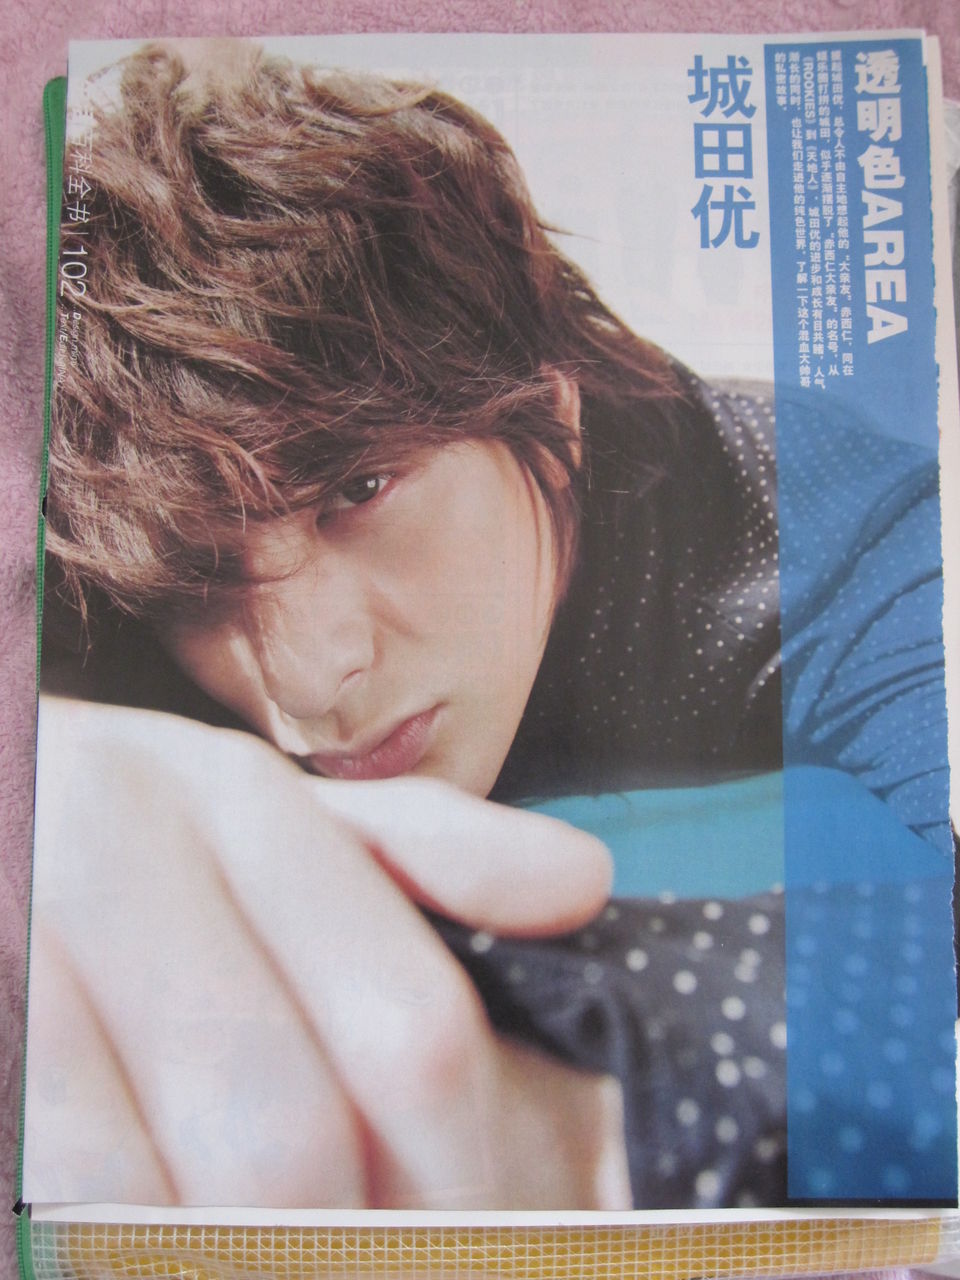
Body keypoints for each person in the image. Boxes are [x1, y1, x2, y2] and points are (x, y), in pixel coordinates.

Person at [25, 39, 952, 1210]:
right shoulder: (115, 575)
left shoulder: (820, 518)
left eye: (361, 489)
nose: (310, 678)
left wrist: (584, 1086)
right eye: (203, 576)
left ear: (552, 408)